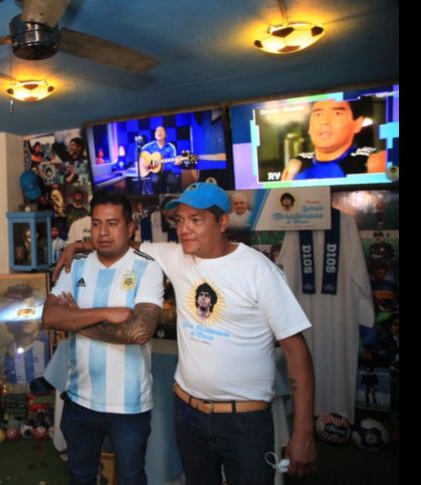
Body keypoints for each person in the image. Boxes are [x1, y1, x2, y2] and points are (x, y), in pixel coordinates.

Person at [54, 182, 318, 482]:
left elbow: (297, 351)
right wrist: (77, 246)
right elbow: (120, 243)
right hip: (189, 414)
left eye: (196, 219)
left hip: (243, 420)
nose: (184, 229)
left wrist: (304, 432)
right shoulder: (176, 256)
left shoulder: (258, 270)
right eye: (180, 220)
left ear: (222, 222)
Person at [43, 191, 164, 485]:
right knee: (80, 475)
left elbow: (138, 332)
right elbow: (49, 317)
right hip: (79, 400)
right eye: (96, 224)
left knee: (132, 477)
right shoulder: (78, 265)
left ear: (130, 227)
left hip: (129, 406)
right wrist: (109, 312)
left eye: (112, 223)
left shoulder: (147, 267)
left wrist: (78, 321)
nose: (103, 232)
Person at [280, 99, 387, 180]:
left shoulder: (373, 162)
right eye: (318, 115)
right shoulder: (297, 165)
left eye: (337, 114)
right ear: (309, 127)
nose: (324, 121)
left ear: (357, 124)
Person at [138, 126, 182, 193]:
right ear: (155, 135)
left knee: (174, 182)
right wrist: (144, 162)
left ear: (165, 135)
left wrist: (177, 162)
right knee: (156, 181)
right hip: (154, 172)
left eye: (161, 130)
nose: (159, 132)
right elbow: (138, 154)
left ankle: (170, 199)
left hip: (167, 172)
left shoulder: (171, 147)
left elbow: (174, 162)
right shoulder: (149, 146)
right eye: (157, 131)